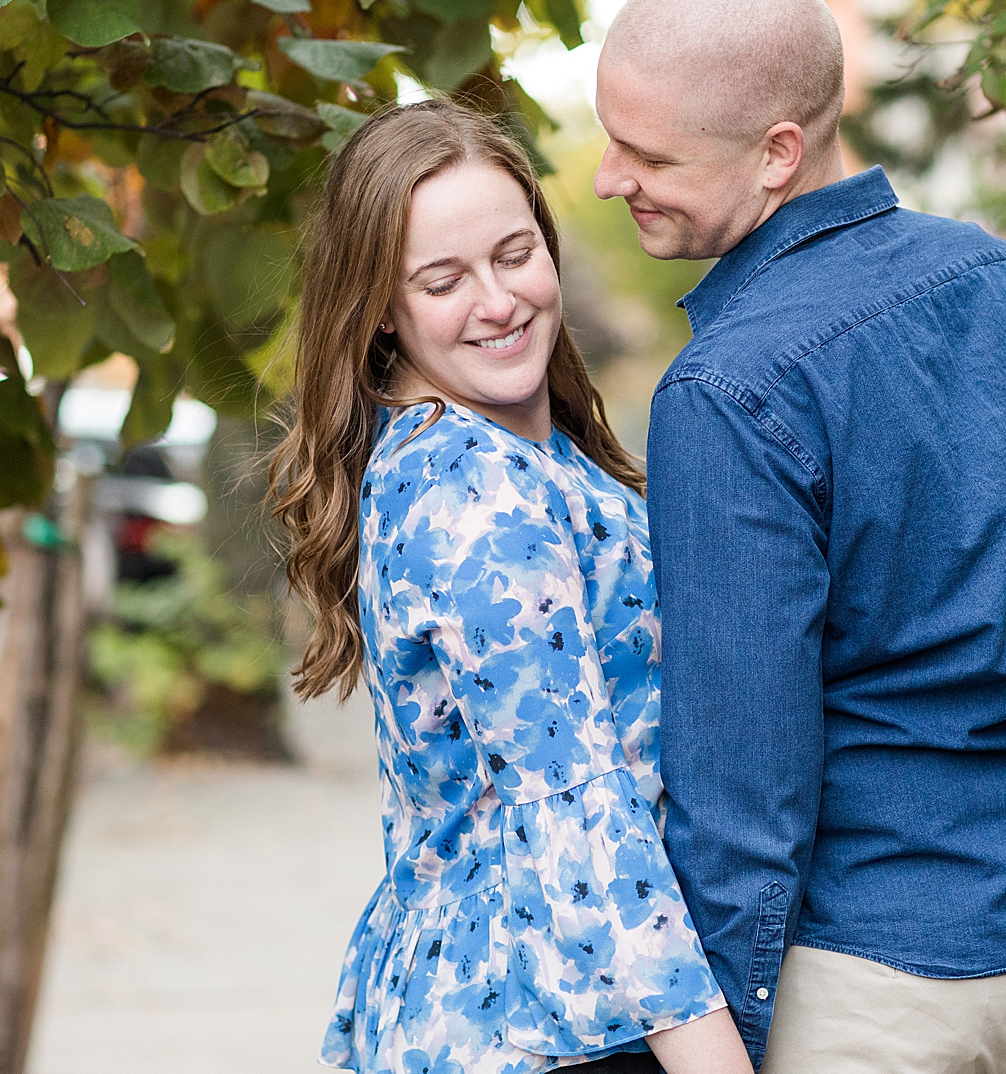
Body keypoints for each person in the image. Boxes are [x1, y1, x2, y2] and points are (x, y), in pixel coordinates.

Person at [594, 0, 1006, 1074]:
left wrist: (726, 1040)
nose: (611, 177)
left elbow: (742, 783)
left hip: (868, 990)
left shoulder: (727, 393)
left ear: (777, 154)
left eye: (649, 153)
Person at [270, 99, 753, 1074]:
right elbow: (576, 804)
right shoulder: (470, 488)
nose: (497, 301)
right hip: (539, 1025)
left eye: (513, 253)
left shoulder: (524, 450)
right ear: (382, 311)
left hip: (513, 1001)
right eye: (442, 280)